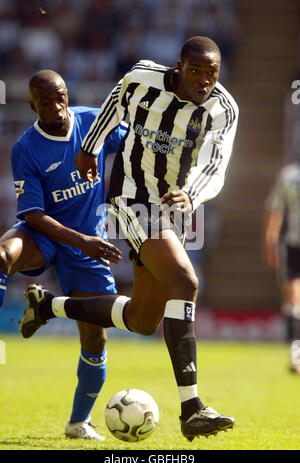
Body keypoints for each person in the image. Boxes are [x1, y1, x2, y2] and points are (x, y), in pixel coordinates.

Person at [21, 36, 239, 441]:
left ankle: (49, 306)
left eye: (212, 73)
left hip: (175, 204)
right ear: (179, 67)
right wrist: (89, 148)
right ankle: (192, 408)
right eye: (196, 72)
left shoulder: (223, 108)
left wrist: (191, 193)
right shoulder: (142, 78)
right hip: (131, 197)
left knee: (142, 319)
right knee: (185, 283)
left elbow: (217, 162)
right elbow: (114, 103)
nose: (204, 81)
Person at [0, 70, 126, 439]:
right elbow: (34, 214)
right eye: (45, 102)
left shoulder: (92, 121)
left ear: (67, 95)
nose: (55, 107)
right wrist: (81, 240)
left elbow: (131, 144)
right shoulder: (26, 148)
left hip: (88, 245)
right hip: (46, 234)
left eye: (60, 98)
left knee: (95, 340)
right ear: (31, 105)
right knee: (3, 253)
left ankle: (78, 423)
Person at [263, 162, 300, 374]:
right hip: (293, 245)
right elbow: (276, 208)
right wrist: (271, 239)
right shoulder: (289, 175)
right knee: (293, 299)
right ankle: (296, 356)